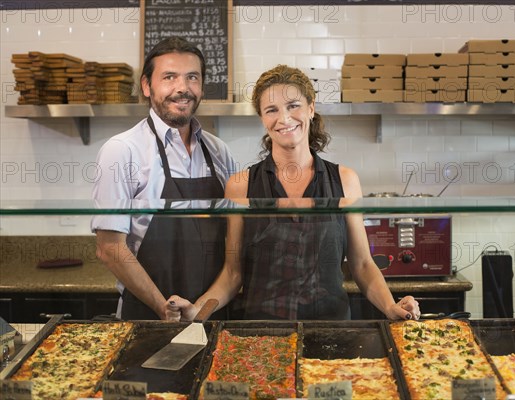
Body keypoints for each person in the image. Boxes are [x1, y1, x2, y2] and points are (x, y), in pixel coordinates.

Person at [169, 64, 420, 321]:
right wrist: (198, 310)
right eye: (271, 110)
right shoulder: (240, 185)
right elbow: (233, 275)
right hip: (261, 336)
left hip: (330, 331)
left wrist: (391, 307)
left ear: (311, 108)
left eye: (293, 106)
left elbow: (363, 265)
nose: (284, 118)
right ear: (262, 118)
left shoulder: (345, 180)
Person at [91, 37, 237, 320]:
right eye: (169, 77)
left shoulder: (220, 152)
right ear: (147, 85)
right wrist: (162, 307)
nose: (182, 88)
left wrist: (200, 310)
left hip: (211, 316)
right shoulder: (122, 151)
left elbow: (234, 247)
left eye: (192, 77)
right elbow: (109, 248)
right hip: (146, 317)